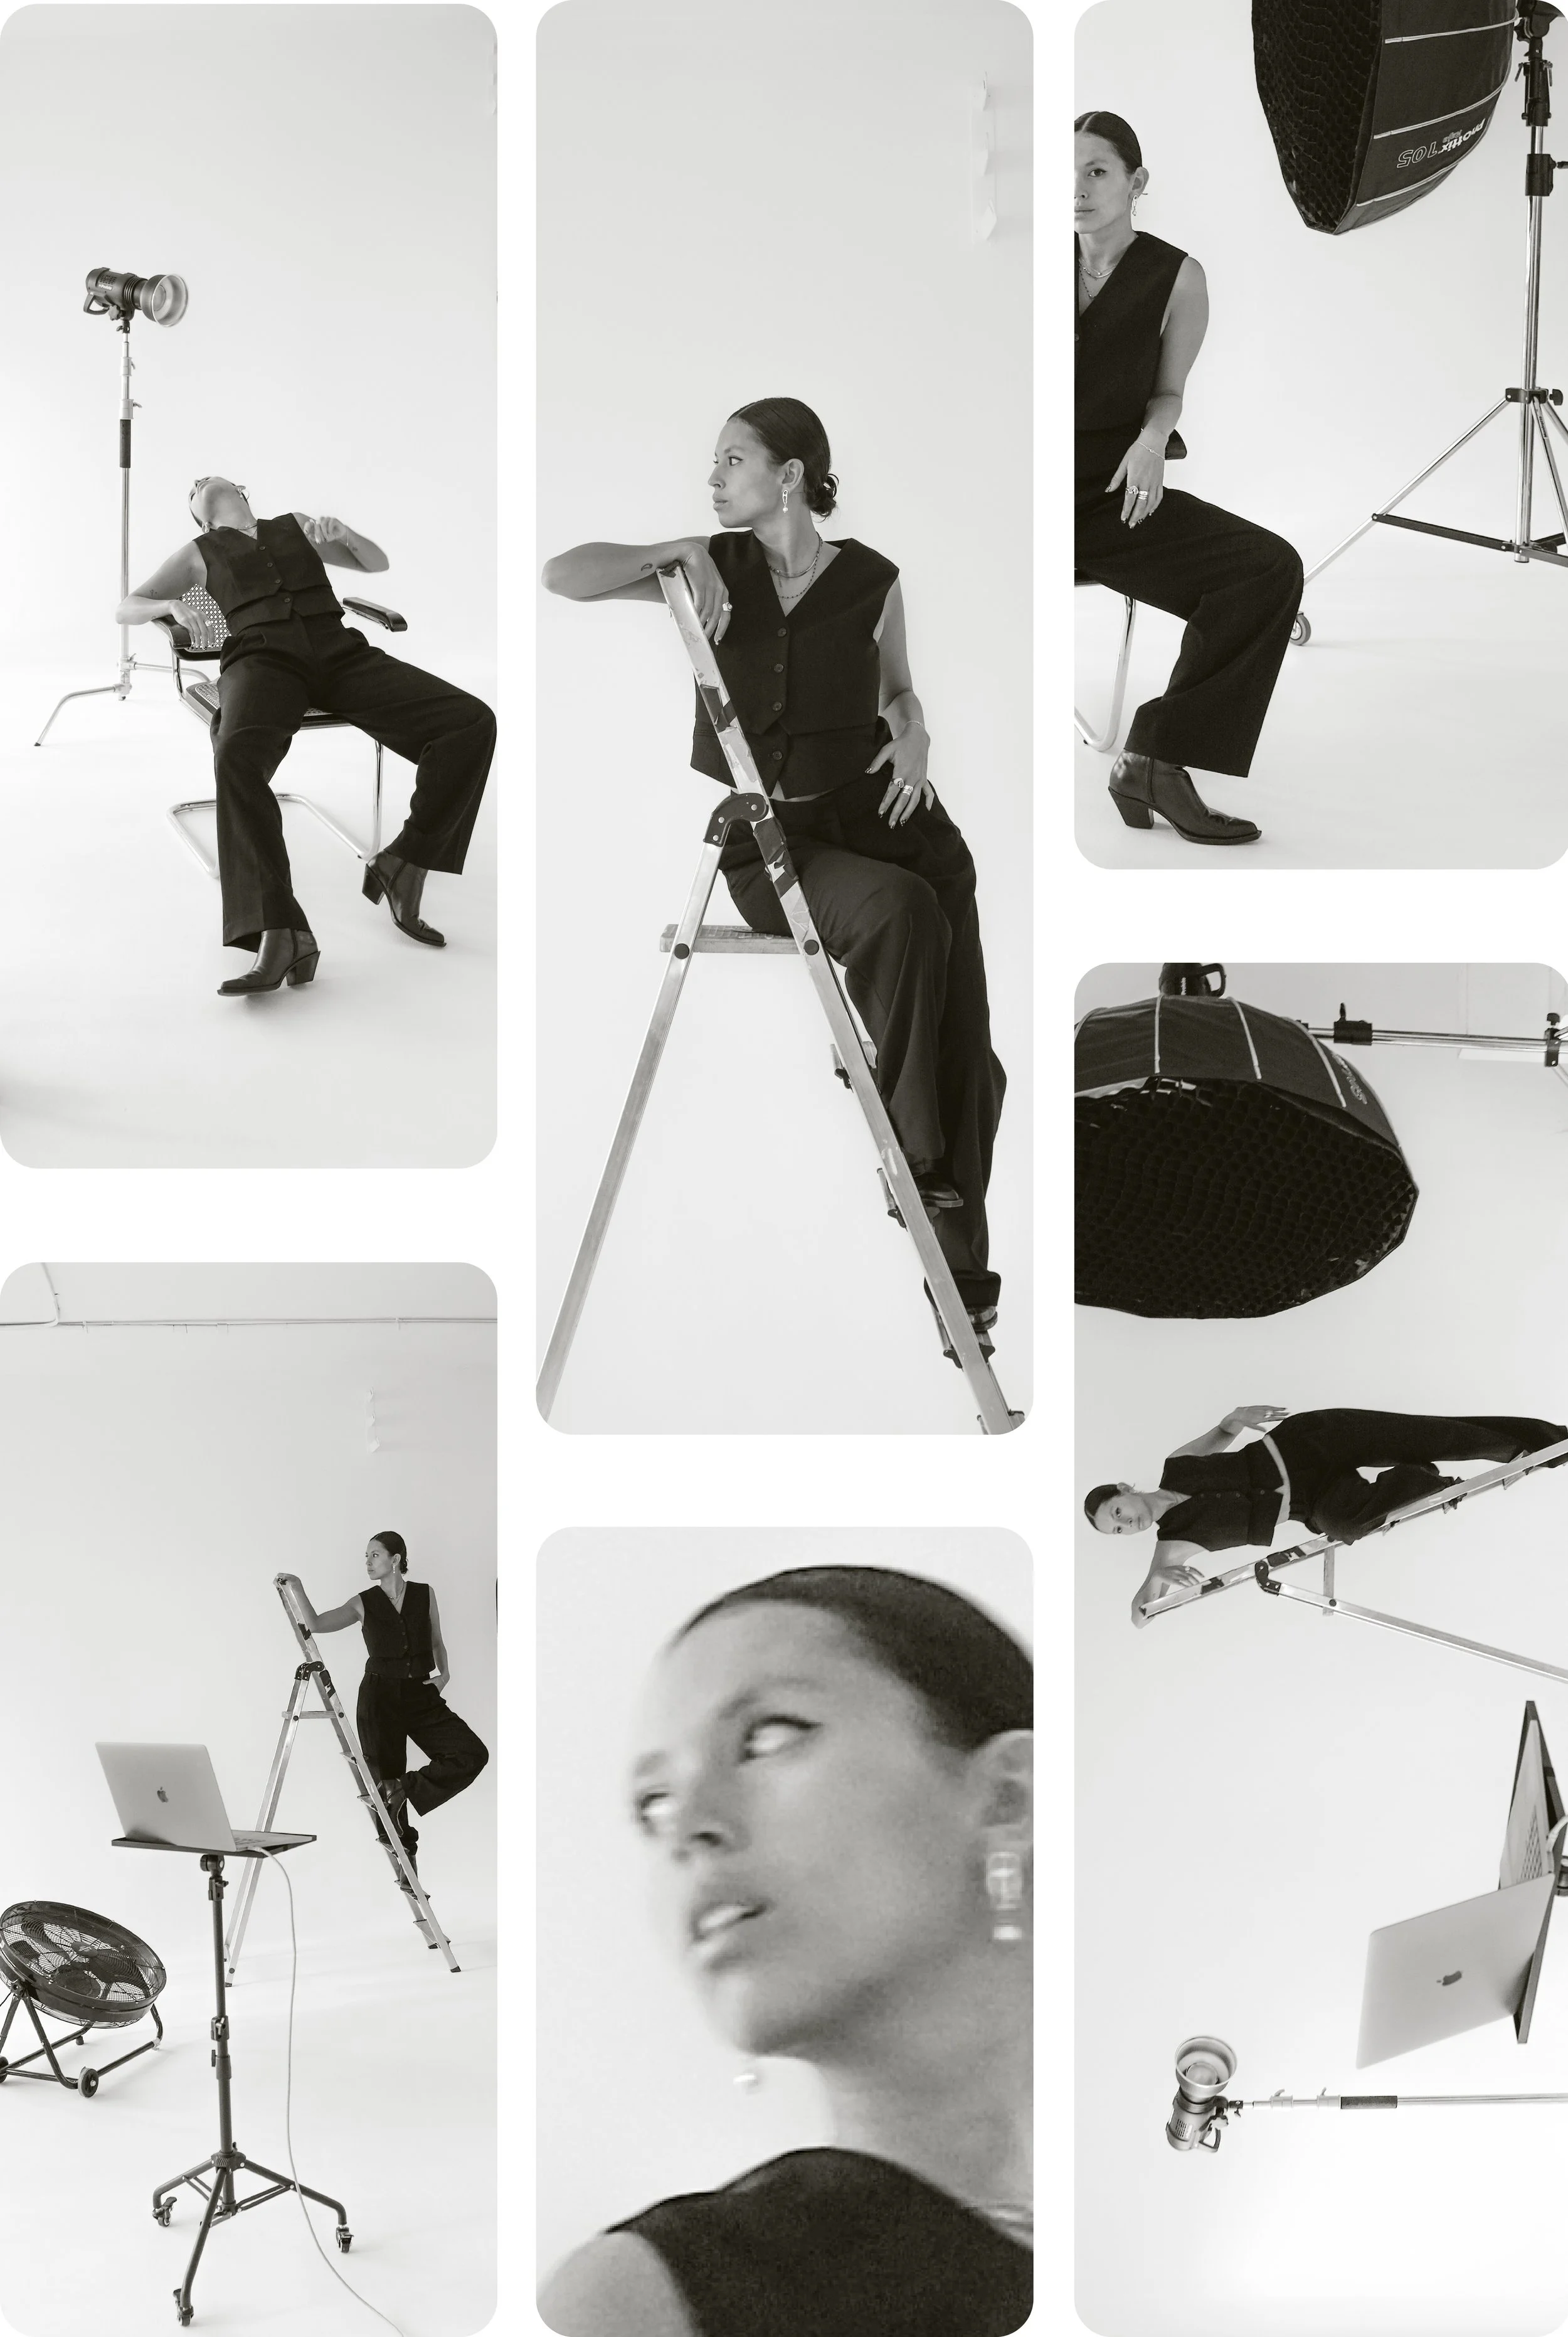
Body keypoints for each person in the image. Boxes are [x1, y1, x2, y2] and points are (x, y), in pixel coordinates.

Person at [542, 398, 1008, 1353]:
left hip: (894, 819)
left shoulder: (872, 577)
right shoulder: (705, 568)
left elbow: (901, 690)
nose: (713, 479)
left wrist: (918, 735)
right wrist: (681, 544)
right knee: (899, 916)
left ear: (790, 474)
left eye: (732, 460)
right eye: (715, 466)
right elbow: (563, 575)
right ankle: (915, 1160)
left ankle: (961, 1274)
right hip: (775, 842)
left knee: (973, 1049)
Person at [539, 1565, 1033, 2337]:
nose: (685, 1826)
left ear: (1009, 1797)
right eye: (652, 1803)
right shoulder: (644, 2304)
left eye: (767, 1735)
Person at [117, 478, 495, 994]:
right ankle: (283, 930)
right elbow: (127, 606)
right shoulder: (197, 552)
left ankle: (405, 861)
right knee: (235, 755)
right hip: (262, 660)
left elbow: (375, 563)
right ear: (200, 517)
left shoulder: (296, 525)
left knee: (471, 721)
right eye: (195, 487)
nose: (204, 482)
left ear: (244, 491)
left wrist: (347, 534)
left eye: (211, 478)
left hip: (340, 653)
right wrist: (169, 607)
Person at [1074, 110, 1304, 846]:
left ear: (1136, 182)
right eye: (1069, 172)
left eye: (1097, 171)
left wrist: (1151, 439)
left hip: (1112, 492)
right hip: (1023, 499)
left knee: (1266, 569)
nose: (1077, 188)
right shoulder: (1028, 265)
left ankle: (1155, 756)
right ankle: (1152, 765)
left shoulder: (1177, 276)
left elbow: (1168, 391)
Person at [1084, 1404, 1568, 1626]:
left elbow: (1223, 1428)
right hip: (1314, 1498)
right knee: (1349, 1523)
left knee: (1436, 1433)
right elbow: (1138, 1616)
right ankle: (1424, 1480)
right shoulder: (1172, 1544)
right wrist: (1153, 1584)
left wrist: (1238, 1418)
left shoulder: (1177, 1463)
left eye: (1119, 1511)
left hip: (1308, 1440)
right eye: (1119, 1529)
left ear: (1125, 1489)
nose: (1128, 1524)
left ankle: (1549, 1443)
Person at [278, 1532, 488, 1870]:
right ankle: (405, 1856)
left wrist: (444, 1675)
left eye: (374, 1555)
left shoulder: (424, 1594)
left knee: (472, 1753)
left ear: (396, 1559)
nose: (368, 1562)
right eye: (366, 1557)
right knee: (385, 1792)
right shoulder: (363, 1602)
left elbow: (437, 1640)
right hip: (380, 1699)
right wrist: (298, 1585)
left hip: (421, 1695)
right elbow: (315, 1623)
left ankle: (402, 1787)